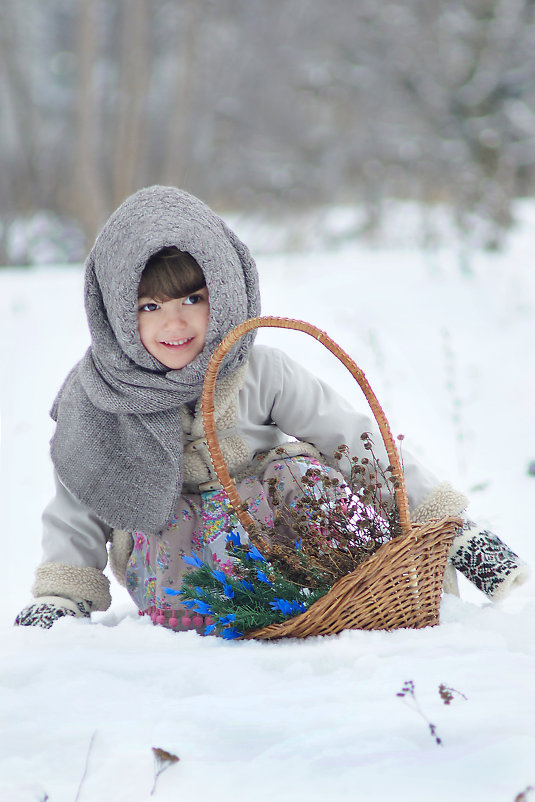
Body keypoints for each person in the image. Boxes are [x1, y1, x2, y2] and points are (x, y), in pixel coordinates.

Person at [14, 186, 529, 629]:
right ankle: (244, 611)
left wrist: (452, 528)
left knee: (299, 469)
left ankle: (368, 592)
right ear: (118, 313)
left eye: (193, 298)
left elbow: (355, 441)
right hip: (180, 577)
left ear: (225, 290)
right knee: (156, 517)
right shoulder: (100, 396)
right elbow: (79, 502)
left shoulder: (258, 372)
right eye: (149, 307)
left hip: (286, 554)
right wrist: (62, 595)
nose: (174, 324)